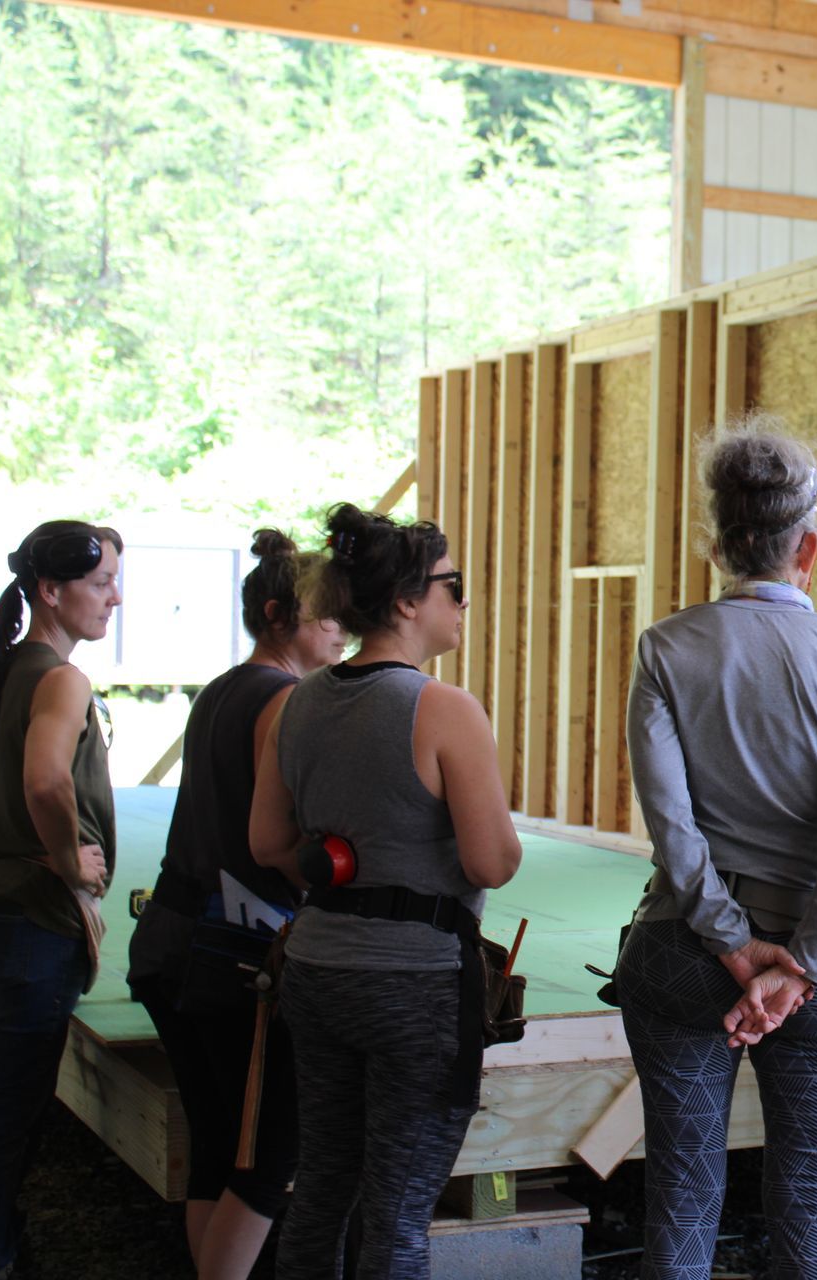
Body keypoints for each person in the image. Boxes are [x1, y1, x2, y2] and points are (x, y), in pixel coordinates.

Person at [614, 418, 817, 1280]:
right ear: (806, 547)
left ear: (720, 545)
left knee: (683, 1192)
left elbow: (671, 822)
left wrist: (733, 946)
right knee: (811, 1199)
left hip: (685, 952)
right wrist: (801, 964)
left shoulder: (665, 650)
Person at [248, 503, 522, 1280]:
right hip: (415, 985)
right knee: (398, 1217)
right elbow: (492, 862)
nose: (462, 602)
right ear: (406, 601)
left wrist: (347, 856)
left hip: (318, 969)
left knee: (322, 1190)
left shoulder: (296, 701)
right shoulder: (444, 708)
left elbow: (268, 844)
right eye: (453, 585)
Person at [127, 529, 346, 1279]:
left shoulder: (223, 687)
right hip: (231, 953)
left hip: (171, 936)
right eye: (327, 619)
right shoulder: (284, 699)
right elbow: (272, 841)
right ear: (282, 616)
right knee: (267, 1155)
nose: (340, 633)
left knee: (222, 1146)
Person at [0, 519, 125, 1280]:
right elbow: (48, 778)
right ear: (51, 591)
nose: (116, 598)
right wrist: (60, 857)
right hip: (28, 920)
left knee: (4, 1101)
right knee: (5, 1112)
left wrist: (6, 830)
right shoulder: (60, 677)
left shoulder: (14, 666)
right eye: (102, 583)